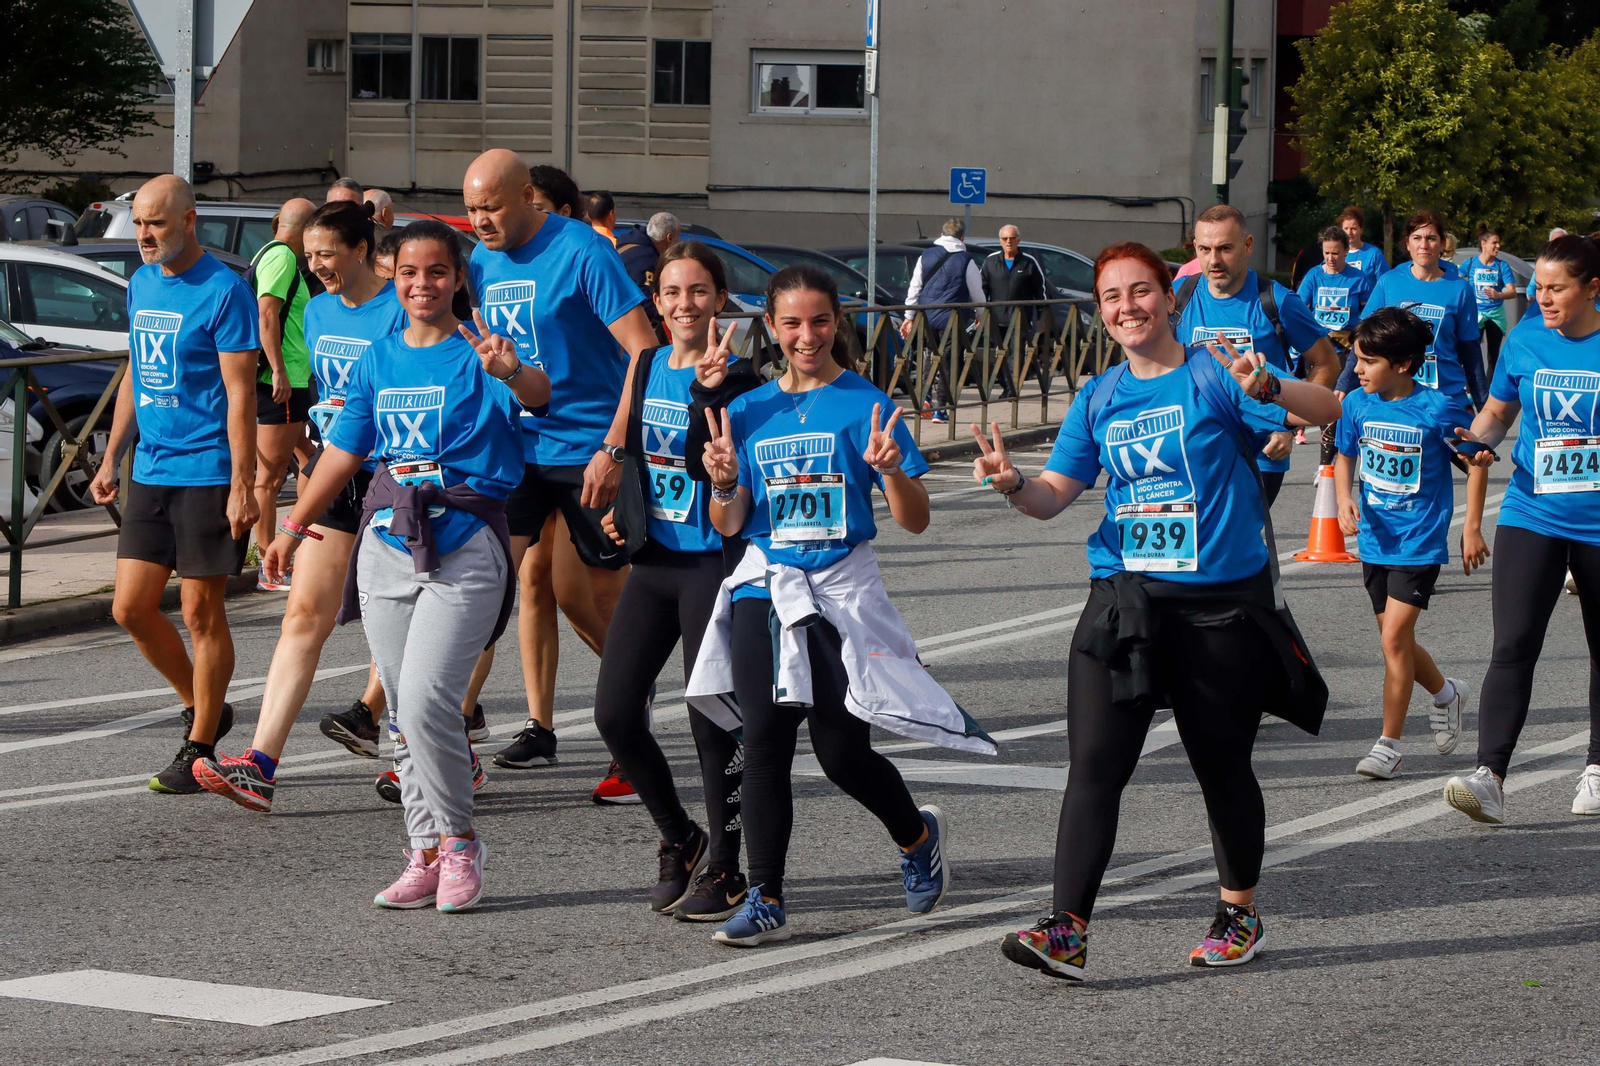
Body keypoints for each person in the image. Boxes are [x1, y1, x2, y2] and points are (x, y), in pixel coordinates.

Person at [987, 241, 1339, 982]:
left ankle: (1239, 913)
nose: (1127, 308)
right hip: (1126, 600)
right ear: (1101, 313)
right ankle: (1068, 929)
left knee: (1220, 765)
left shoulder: (1214, 371)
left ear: (1168, 299)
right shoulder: (1099, 396)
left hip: (1218, 609)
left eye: (1140, 291)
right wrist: (1013, 482)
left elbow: (1330, 405)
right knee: (1093, 768)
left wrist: (1271, 386)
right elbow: (1053, 495)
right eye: (1112, 297)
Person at [261, 222, 551, 911]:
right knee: (398, 713)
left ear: (458, 280)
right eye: (410, 274)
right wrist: (295, 526)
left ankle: (459, 842)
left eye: (437, 273)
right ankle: (421, 850)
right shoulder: (378, 359)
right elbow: (342, 454)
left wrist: (511, 371)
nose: (422, 285)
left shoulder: (482, 354)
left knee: (425, 702)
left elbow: (539, 398)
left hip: (465, 541)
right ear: (395, 280)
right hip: (387, 543)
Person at [688, 264, 980, 947]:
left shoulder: (865, 404)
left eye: (819, 320)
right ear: (772, 327)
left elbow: (914, 519)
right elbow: (729, 524)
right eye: (791, 323)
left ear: (837, 322)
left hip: (841, 594)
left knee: (842, 753)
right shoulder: (750, 409)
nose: (806, 335)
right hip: (766, 590)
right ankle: (766, 895)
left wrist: (890, 473)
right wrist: (726, 483)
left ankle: (916, 834)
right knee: (763, 744)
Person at [461, 151, 658, 777]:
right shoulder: (481, 261)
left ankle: (633, 720)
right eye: (470, 210)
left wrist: (615, 446)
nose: (480, 222)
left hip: (588, 449)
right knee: (480, 586)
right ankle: (447, 742)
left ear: (526, 196)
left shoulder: (583, 252)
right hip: (515, 450)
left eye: (490, 208)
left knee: (590, 597)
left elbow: (644, 351)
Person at [592, 242, 759, 919]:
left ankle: (727, 866)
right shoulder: (645, 361)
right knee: (613, 712)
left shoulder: (743, 377)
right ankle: (679, 836)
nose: (684, 304)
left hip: (712, 564)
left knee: (711, 720)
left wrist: (711, 389)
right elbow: (637, 455)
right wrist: (622, 517)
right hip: (655, 561)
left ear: (719, 300)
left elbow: (720, 466)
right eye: (671, 293)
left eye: (698, 292)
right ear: (655, 303)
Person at [87, 175, 260, 793]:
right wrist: (111, 456)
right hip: (152, 468)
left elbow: (241, 393)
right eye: (138, 224)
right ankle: (204, 702)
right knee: (129, 607)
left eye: (156, 223)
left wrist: (245, 483)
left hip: (208, 468)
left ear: (189, 220)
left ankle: (202, 744)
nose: (144, 236)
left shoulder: (224, 291)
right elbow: (136, 368)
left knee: (199, 609)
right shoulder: (139, 284)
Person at [1448, 234, 1600, 824]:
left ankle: (1596, 767)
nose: (1542, 296)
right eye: (1537, 285)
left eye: (1556, 288)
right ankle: (1490, 776)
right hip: (1532, 511)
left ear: (1592, 288)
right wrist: (1476, 443)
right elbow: (1496, 413)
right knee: (1512, 644)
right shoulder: (1524, 338)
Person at [1333, 308, 1480, 780]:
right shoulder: (1357, 403)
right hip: (1375, 540)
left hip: (1418, 542)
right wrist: (1342, 500)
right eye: (1356, 358)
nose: (1357, 369)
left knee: (1394, 638)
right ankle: (1445, 693)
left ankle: (1388, 745)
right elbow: (1344, 455)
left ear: (1401, 363)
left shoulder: (1438, 407)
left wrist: (1471, 527)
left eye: (1367, 361)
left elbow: (1477, 459)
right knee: (1395, 641)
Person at [1175, 204, 1340, 505]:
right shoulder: (1179, 296)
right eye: (1205, 249)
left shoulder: (1276, 301)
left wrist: (1291, 423)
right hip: (1194, 448)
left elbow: (1326, 362)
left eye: (1225, 248)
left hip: (1260, 454)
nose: (1214, 260)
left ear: (1248, 245)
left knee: (1234, 543)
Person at [248, 198, 321, 588]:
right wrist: (277, 369)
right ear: (306, 227)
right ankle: (269, 566)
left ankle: (305, 540)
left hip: (290, 379)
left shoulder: (269, 251)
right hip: (283, 381)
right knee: (270, 480)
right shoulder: (283, 258)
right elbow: (266, 312)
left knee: (313, 459)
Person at [899, 218, 986, 423]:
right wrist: (980, 315)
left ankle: (926, 397)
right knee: (948, 361)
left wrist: (908, 317)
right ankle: (941, 408)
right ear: (962, 238)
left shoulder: (925, 256)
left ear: (941, 234)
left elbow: (915, 288)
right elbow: (977, 294)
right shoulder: (966, 260)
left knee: (931, 356)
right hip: (952, 319)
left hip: (927, 317)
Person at [979, 224, 1049, 399]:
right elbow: (981, 290)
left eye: (1012, 238)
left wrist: (1042, 317)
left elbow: (1040, 293)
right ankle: (1006, 385)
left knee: (1016, 355)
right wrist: (978, 313)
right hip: (996, 318)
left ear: (1018, 240)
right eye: (1005, 239)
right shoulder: (990, 262)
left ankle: (1011, 390)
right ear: (1000, 241)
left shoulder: (1029, 263)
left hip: (1020, 319)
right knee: (999, 354)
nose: (1008, 242)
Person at [1296, 225, 1373, 336]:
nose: (1330, 259)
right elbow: (1298, 308)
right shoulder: (1313, 275)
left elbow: (1369, 313)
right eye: (1326, 253)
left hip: (1347, 342)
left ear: (1346, 250)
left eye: (1335, 253)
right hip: (1319, 340)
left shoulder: (1359, 278)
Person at [618, 212, 682, 339]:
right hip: (628, 330)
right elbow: (645, 301)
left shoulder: (626, 245)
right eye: (677, 238)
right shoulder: (647, 258)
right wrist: (670, 313)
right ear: (669, 238)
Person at [1469, 228, 1519, 378]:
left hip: (1495, 315)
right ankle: (1471, 388)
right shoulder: (1470, 263)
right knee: (1471, 354)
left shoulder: (1501, 266)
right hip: (1475, 315)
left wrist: (1498, 294)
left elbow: (1513, 292)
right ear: (1483, 244)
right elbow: (1456, 281)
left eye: (1498, 243)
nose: (1498, 246)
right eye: (1494, 243)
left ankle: (1490, 390)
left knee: (1493, 356)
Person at [1338, 205, 1390, 282]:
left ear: (1361, 229)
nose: (1349, 233)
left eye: (1353, 229)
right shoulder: (1335, 253)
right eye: (1346, 228)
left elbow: (1385, 283)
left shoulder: (1374, 254)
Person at [1527, 228, 1569, 302]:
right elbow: (1531, 287)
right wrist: (1531, 296)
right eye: (1553, 242)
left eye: (1560, 242)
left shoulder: (1573, 262)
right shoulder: (1544, 264)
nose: (1556, 246)